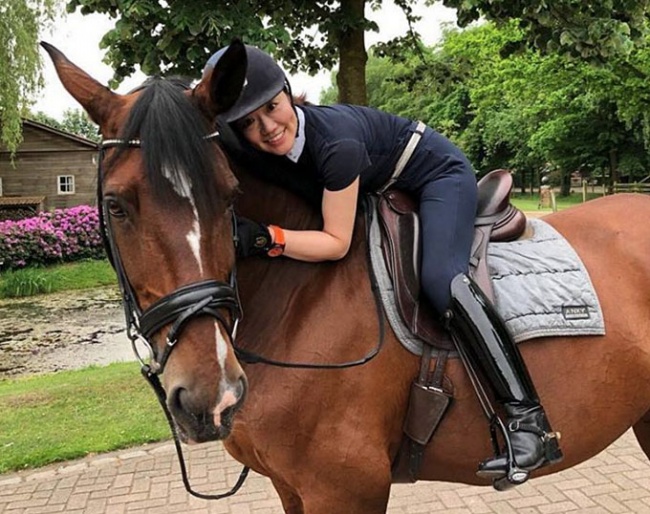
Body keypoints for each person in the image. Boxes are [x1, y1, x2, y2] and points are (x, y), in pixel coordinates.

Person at [204, 43, 563, 482]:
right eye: (248, 123)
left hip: (436, 174)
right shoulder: (250, 142)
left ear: (287, 91)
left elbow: (336, 243)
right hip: (378, 181)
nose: (267, 128)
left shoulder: (336, 146)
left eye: (272, 108)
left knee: (442, 280)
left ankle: (528, 421)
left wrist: (266, 238)